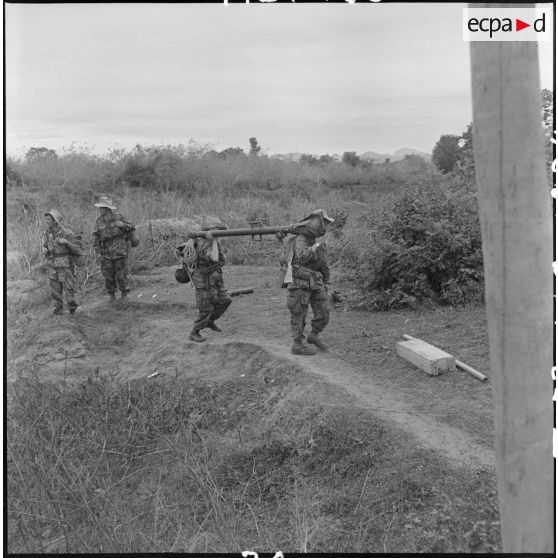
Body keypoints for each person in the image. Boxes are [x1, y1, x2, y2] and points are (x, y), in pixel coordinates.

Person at [285, 208, 334, 355]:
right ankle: (297, 344)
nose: (325, 226)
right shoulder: (300, 240)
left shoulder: (314, 241)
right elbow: (302, 257)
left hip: (315, 282)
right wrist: (314, 248)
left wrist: (326, 282)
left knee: (324, 312)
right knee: (299, 314)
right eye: (323, 223)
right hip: (300, 283)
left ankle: (314, 336)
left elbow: (323, 264)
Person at [189, 217, 232, 343]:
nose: (218, 232)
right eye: (215, 230)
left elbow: (221, 258)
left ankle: (210, 321)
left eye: (219, 229)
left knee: (225, 300)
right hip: (203, 282)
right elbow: (213, 258)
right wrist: (213, 241)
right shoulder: (203, 244)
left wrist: (215, 242)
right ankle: (194, 332)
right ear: (208, 231)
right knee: (206, 308)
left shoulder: (214, 242)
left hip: (215, 280)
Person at [92, 196, 136, 302]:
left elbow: (132, 227)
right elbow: (96, 238)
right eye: (100, 208)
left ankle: (124, 295)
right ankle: (111, 295)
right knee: (108, 275)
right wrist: (98, 253)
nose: (100, 210)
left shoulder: (119, 217)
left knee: (122, 274)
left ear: (107, 209)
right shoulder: (99, 222)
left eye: (102, 208)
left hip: (120, 251)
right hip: (106, 253)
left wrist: (122, 225)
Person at [42, 209, 81, 315]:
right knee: (55, 289)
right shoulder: (47, 233)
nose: (47, 221)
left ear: (55, 220)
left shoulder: (67, 233)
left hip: (65, 264)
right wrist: (44, 249)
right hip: (52, 264)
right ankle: (58, 311)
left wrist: (67, 242)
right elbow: (45, 245)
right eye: (46, 219)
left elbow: (78, 249)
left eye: (49, 219)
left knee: (69, 287)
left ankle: (72, 309)